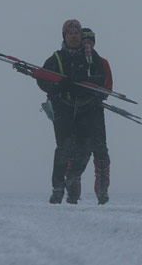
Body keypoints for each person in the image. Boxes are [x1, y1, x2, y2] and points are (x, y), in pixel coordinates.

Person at [37, 19, 108, 205]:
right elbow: (41, 79)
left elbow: (101, 78)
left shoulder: (91, 56)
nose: (74, 35)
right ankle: (58, 189)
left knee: (85, 149)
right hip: (63, 108)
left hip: (87, 108)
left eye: (77, 32)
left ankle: (72, 177)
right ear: (64, 36)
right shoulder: (56, 58)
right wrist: (58, 86)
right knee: (64, 148)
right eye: (70, 33)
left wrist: (85, 85)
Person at [64, 27, 112, 205]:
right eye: (85, 40)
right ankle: (72, 195)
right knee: (77, 153)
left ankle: (102, 193)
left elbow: (108, 88)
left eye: (90, 40)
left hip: (95, 111)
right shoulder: (72, 60)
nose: (87, 44)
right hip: (76, 112)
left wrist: (97, 95)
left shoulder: (101, 62)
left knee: (100, 152)